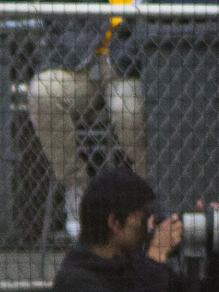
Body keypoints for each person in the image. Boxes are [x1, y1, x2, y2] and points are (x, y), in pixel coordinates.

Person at [27, 10, 145, 238]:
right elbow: (55, 24)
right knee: (43, 92)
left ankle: (148, 194)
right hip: (80, 64)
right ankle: (80, 192)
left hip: (133, 66)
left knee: (128, 111)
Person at [51, 167, 183, 292]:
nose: (147, 227)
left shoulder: (129, 264)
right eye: (142, 219)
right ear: (114, 222)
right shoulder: (75, 281)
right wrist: (156, 255)